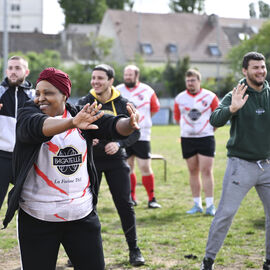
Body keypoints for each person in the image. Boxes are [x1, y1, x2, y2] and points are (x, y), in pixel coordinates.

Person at [2, 67, 140, 270]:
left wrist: (129, 123)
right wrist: (72, 123)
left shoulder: (80, 114)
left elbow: (111, 125)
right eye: (38, 93)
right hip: (38, 217)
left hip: (81, 216)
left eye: (48, 93)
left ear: (64, 95)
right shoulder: (27, 113)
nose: (41, 98)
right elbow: (37, 127)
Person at [200, 52, 270, 270]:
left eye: (262, 67)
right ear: (245, 71)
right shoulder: (237, 94)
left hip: (267, 165)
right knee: (226, 214)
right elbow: (214, 119)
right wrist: (232, 109)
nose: (260, 71)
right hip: (241, 165)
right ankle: (208, 260)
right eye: (255, 68)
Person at [77, 64, 144, 266]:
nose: (95, 82)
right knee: (86, 207)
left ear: (111, 81)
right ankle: (78, 252)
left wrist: (119, 143)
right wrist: (88, 139)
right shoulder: (85, 102)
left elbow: (136, 132)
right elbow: (76, 130)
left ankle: (134, 250)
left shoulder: (124, 103)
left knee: (125, 205)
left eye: (100, 78)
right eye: (93, 78)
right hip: (92, 162)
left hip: (116, 161)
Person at [174, 69, 219, 216]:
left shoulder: (210, 96)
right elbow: (177, 117)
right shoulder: (180, 98)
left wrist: (208, 130)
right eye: (188, 81)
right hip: (187, 138)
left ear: (199, 81)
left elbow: (218, 117)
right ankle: (197, 204)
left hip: (205, 138)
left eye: (193, 80)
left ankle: (211, 205)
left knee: (206, 171)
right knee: (193, 171)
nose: (190, 83)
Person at [116, 65, 161, 208]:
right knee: (128, 166)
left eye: (130, 74)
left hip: (142, 134)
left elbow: (155, 108)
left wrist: (142, 121)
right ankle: (132, 197)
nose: (127, 77)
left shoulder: (148, 90)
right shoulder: (118, 90)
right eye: (125, 74)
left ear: (137, 76)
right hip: (124, 134)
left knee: (145, 166)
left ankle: (151, 199)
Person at [0, 55, 34, 210]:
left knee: (29, 205)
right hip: (2, 156)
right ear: (6, 71)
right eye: (10, 68)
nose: (13, 72)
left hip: (25, 157)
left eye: (18, 68)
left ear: (26, 71)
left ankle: (28, 235)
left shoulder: (34, 96)